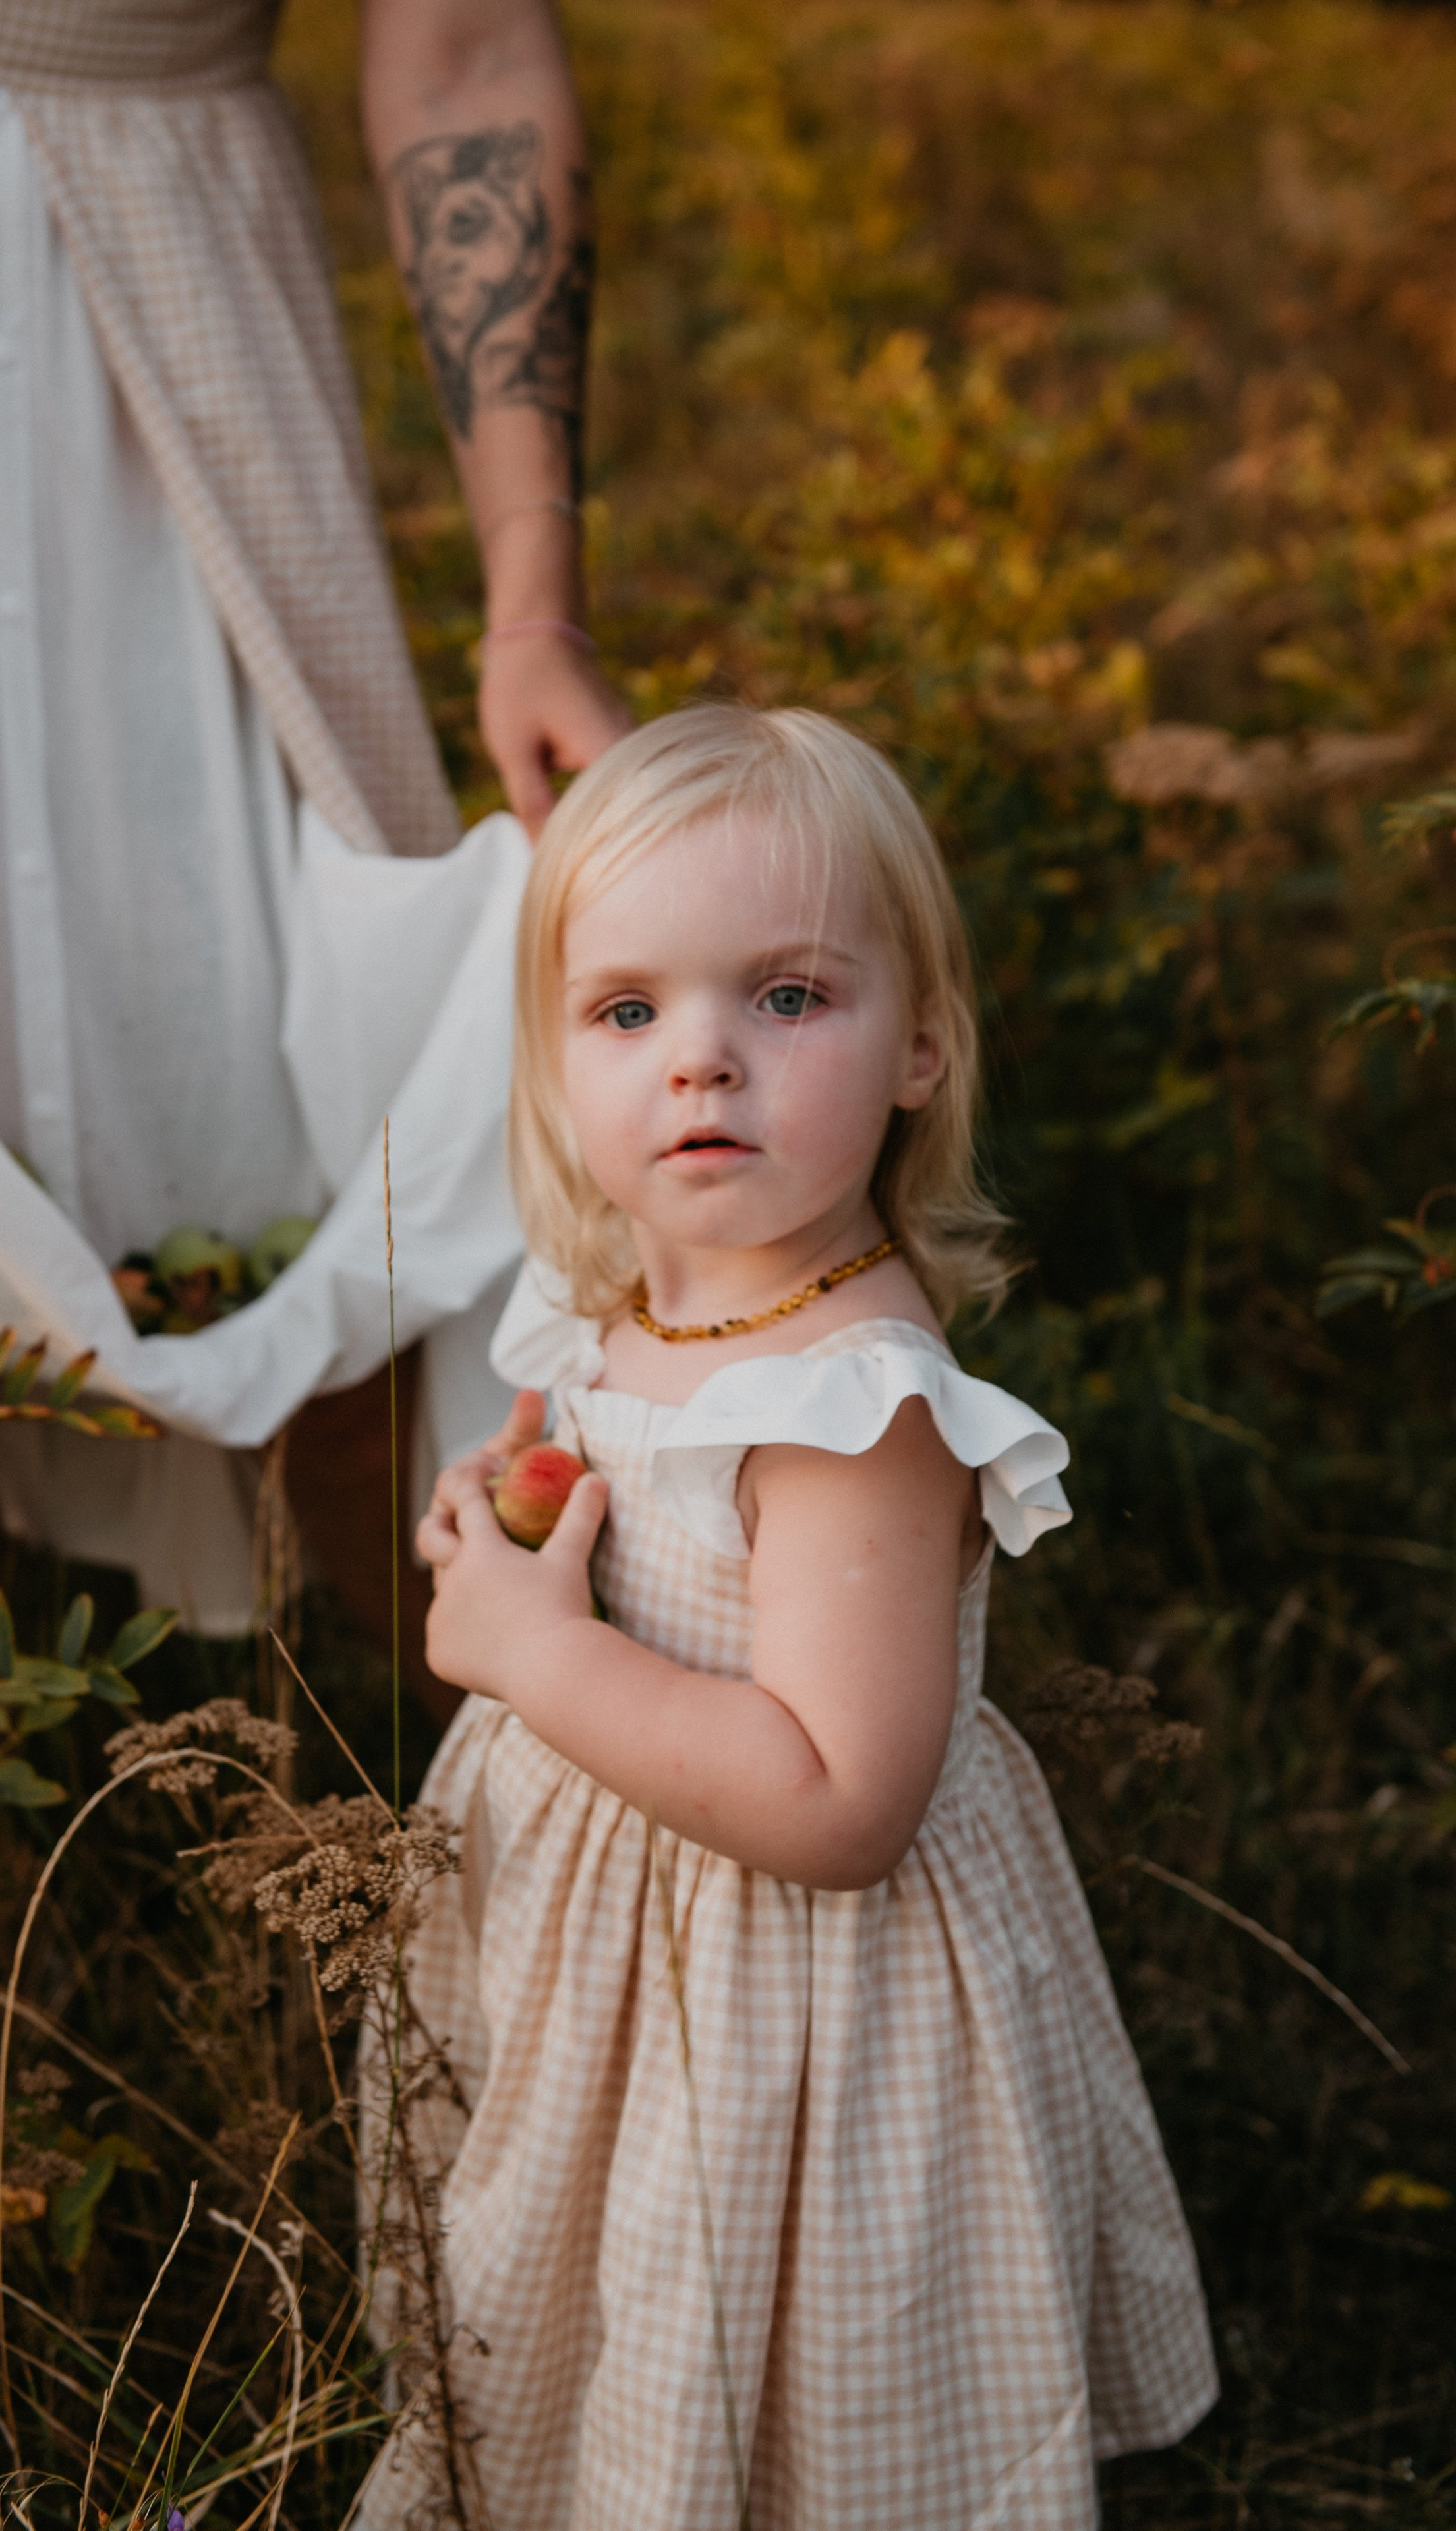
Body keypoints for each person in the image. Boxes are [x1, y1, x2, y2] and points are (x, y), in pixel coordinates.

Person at [364, 707, 1217, 2526]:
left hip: (791, 2013)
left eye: (787, 999)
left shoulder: (857, 1407)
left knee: (775, 2369)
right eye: (628, 1013)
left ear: (921, 1046)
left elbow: (839, 1804)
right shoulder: (629, 1289)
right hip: (619, 1942)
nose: (702, 1067)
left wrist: (533, 1652)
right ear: (555, 1059)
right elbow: (559, 1469)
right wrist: (503, 1526)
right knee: (595, 2309)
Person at [0, 0, 627, 1681]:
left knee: (338, 1131)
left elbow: (460, 47)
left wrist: (535, 594)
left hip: (203, 342)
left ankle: (422, 1795)